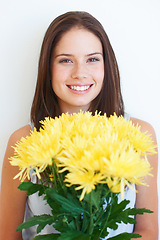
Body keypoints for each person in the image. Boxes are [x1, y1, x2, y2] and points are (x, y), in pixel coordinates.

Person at [0, 11, 158, 240]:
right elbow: (7, 235)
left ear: (107, 65)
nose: (80, 73)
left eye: (92, 59)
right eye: (66, 60)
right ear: (48, 68)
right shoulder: (23, 142)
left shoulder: (139, 135)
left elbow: (149, 231)